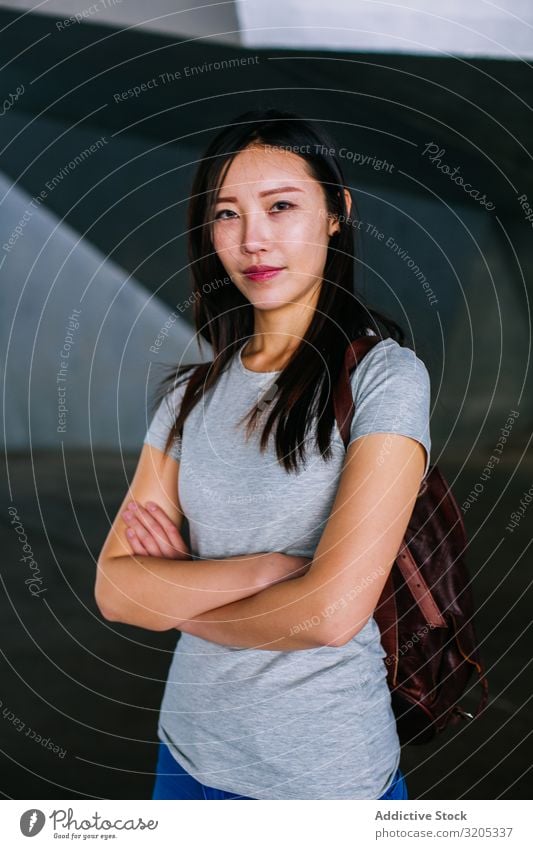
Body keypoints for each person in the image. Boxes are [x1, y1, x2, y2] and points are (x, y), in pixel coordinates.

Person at [95, 108, 431, 800]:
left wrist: (179, 595)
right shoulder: (189, 396)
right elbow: (114, 588)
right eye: (226, 214)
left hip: (324, 778)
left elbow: (333, 613)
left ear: (336, 211)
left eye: (280, 206)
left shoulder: (383, 378)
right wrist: (270, 570)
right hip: (187, 755)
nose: (253, 239)